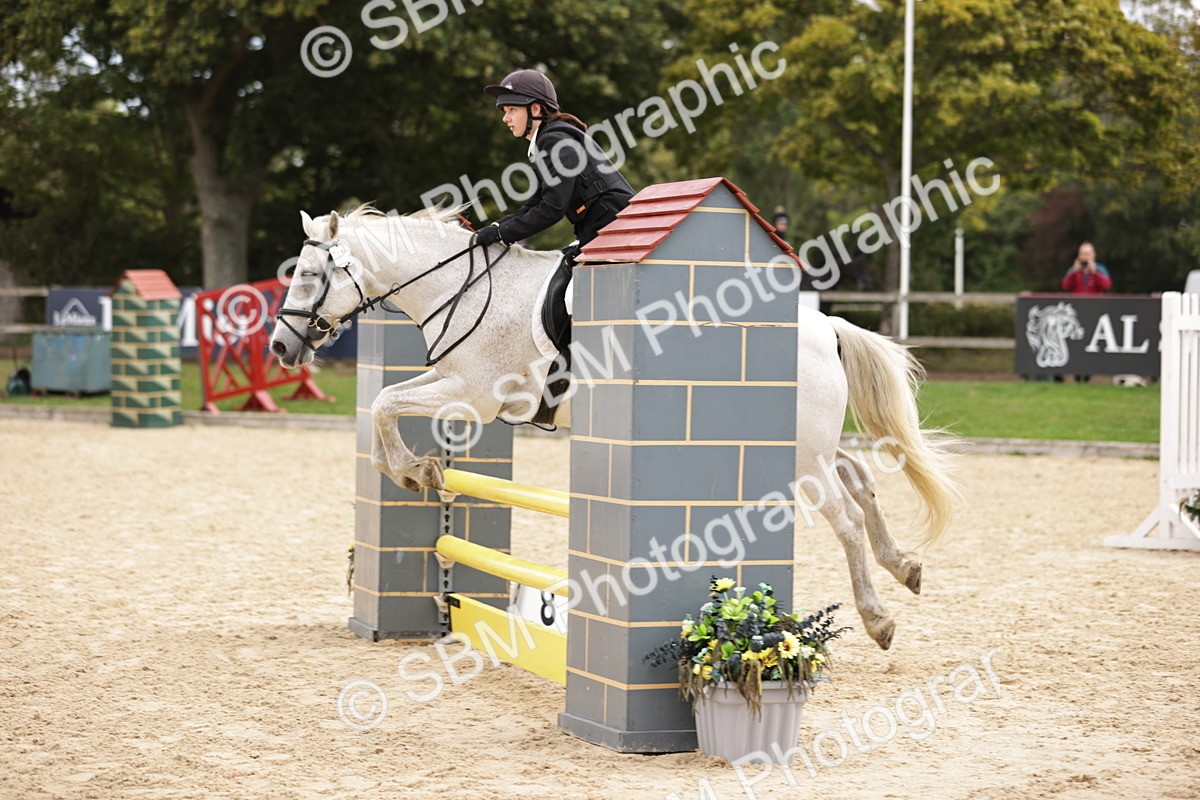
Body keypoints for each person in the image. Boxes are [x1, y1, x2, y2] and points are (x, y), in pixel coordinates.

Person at [475, 69, 634, 258]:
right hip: (600, 228)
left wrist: (502, 234)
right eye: (504, 111)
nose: (505, 118)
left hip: (615, 230)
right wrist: (496, 228)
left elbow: (552, 208)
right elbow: (535, 203)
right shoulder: (550, 139)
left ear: (535, 109)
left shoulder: (554, 141)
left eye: (512, 110)